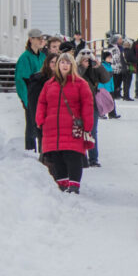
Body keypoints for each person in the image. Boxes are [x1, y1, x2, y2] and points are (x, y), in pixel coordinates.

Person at [36, 53, 94, 194]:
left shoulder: (81, 84)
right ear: (58, 65)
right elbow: (42, 103)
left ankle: (74, 185)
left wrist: (87, 126)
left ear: (72, 65)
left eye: (68, 63)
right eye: (62, 62)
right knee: (57, 156)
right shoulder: (49, 84)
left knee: (72, 155)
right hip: (52, 128)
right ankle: (62, 183)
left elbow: (87, 105)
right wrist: (40, 120)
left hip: (72, 127)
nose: (65, 65)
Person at [76, 49, 111, 167]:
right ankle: (82, 157)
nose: (87, 61)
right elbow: (74, 78)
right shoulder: (76, 68)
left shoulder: (94, 68)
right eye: (84, 58)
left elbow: (106, 79)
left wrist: (99, 66)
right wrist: (82, 67)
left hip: (92, 103)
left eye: (88, 59)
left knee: (92, 131)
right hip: (79, 104)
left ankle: (93, 158)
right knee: (80, 130)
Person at [15, 29, 48, 152]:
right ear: (31, 40)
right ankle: (30, 149)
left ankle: (42, 149)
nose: (41, 41)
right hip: (31, 95)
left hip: (43, 95)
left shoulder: (43, 56)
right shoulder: (25, 58)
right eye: (38, 38)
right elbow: (21, 80)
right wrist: (26, 99)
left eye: (42, 38)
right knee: (31, 123)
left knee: (41, 124)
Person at [25, 53, 58, 154]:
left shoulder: (63, 79)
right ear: (47, 63)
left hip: (59, 118)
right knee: (45, 147)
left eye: (56, 62)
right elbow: (34, 103)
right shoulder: (39, 80)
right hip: (45, 118)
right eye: (52, 62)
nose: (54, 64)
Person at [98, 51, 121, 120]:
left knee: (111, 101)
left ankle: (112, 114)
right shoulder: (102, 66)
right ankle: (101, 113)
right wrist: (101, 87)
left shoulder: (109, 65)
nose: (110, 59)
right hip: (104, 87)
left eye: (110, 57)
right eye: (108, 57)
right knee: (103, 101)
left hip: (110, 87)